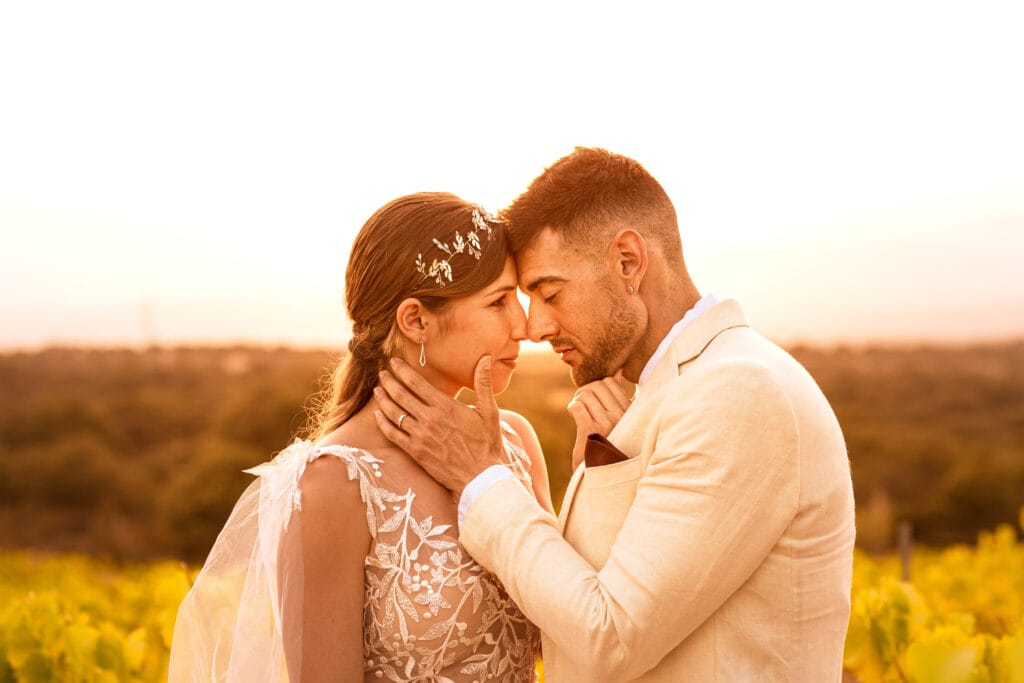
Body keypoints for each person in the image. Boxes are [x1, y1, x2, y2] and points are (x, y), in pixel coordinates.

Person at [375, 148, 857, 682]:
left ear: (627, 261)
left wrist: (481, 478)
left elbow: (611, 637)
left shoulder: (739, 392)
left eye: (549, 293)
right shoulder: (665, 392)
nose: (534, 328)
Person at [169, 192, 552, 682]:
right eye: (498, 302)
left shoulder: (516, 441)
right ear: (416, 321)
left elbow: (568, 636)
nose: (523, 325)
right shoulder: (332, 486)